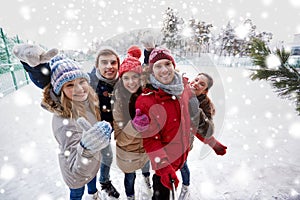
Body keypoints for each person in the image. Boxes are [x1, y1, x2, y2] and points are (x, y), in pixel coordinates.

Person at [13, 46, 112, 200]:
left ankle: (93, 194)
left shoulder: (87, 103)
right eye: (70, 85)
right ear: (60, 90)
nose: (80, 88)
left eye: (82, 81)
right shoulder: (64, 123)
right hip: (77, 173)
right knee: (77, 192)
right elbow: (77, 170)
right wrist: (87, 148)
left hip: (92, 162)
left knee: (92, 179)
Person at [132, 47, 199, 199]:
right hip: (164, 166)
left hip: (181, 154)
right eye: (158, 66)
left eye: (167, 64)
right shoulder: (146, 101)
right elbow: (151, 140)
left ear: (174, 65)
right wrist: (163, 167)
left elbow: (191, 115)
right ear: (151, 71)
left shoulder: (183, 89)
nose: (164, 70)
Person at [178, 72, 228, 200]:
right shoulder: (179, 89)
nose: (196, 84)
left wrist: (195, 108)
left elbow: (206, 130)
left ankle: (185, 187)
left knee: (183, 165)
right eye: (196, 80)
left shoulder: (204, 105)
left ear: (205, 91)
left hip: (184, 142)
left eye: (201, 84)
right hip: (168, 138)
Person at [112, 46, 151, 200]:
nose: (131, 82)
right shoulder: (118, 101)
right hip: (128, 151)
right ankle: (130, 196)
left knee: (146, 166)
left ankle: (147, 178)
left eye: (135, 77)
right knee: (130, 178)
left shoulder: (147, 95)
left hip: (146, 147)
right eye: (126, 78)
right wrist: (135, 127)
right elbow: (120, 137)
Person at [88, 47, 121, 198]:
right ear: (97, 66)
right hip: (90, 130)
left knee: (107, 156)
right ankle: (92, 191)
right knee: (92, 160)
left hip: (108, 129)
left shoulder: (120, 81)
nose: (109, 66)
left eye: (113, 62)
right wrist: (35, 69)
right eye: (104, 62)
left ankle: (104, 181)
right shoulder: (89, 81)